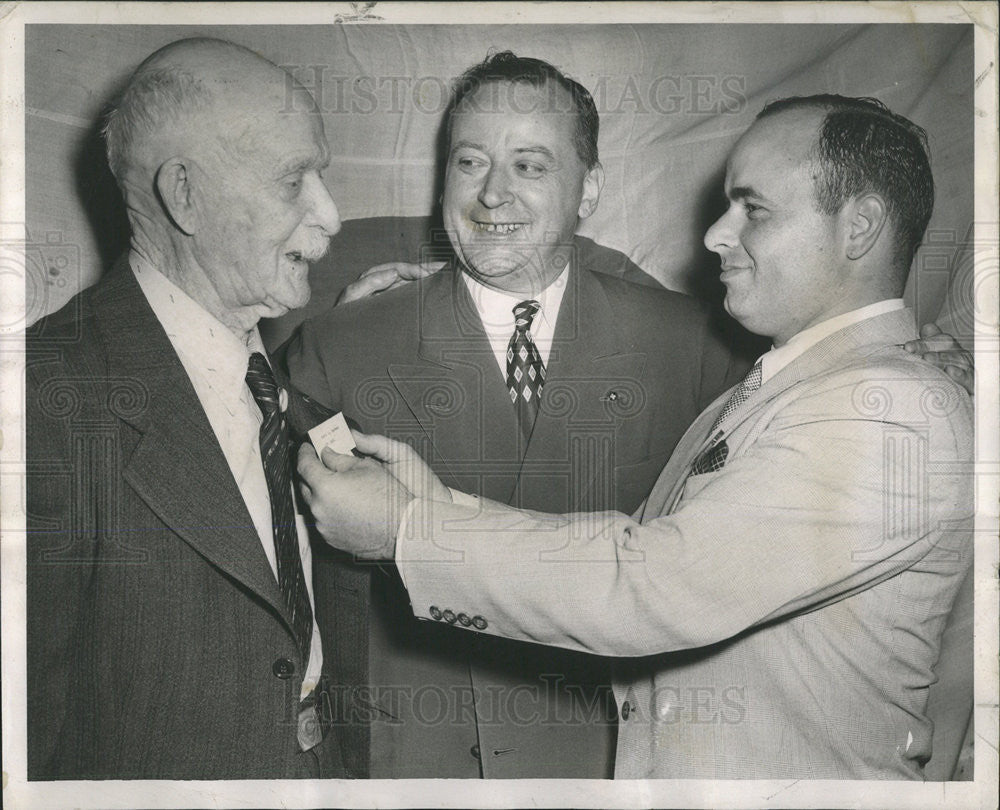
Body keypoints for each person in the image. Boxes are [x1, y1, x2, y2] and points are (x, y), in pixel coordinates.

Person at [298, 94, 975, 780]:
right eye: (469, 161)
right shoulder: (776, 390)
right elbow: (635, 545)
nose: (714, 233)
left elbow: (653, 582)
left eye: (754, 210)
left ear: (858, 228)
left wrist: (409, 530)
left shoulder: (890, 409)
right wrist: (438, 508)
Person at [280, 51, 749, 778]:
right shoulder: (337, 347)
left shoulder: (696, 349)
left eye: (529, 166)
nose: (492, 195)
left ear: (589, 188)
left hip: (611, 764)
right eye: (470, 163)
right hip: (412, 765)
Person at [25, 38, 346, 779]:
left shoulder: (284, 385)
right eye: (294, 181)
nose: (330, 216)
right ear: (186, 196)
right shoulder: (45, 400)